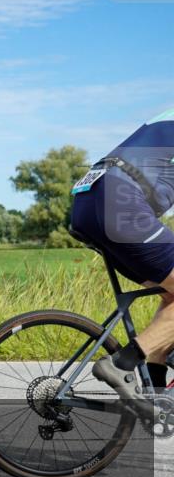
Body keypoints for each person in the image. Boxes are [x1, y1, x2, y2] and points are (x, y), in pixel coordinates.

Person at [70, 108, 174, 415]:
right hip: (120, 201)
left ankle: (156, 395)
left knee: (171, 290)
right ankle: (122, 364)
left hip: (90, 199)